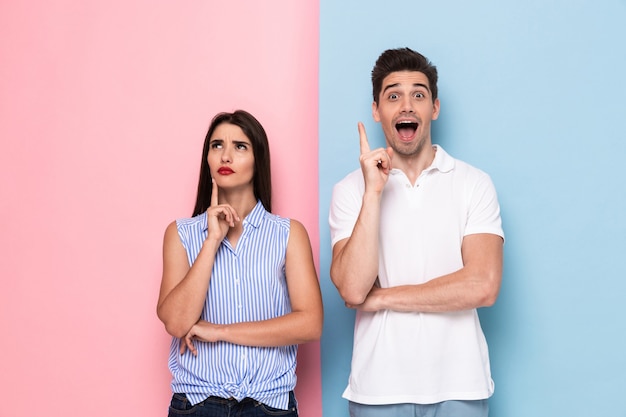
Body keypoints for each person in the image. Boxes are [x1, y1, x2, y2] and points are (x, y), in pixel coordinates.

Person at [328, 48, 504, 417]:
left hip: (461, 386)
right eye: (393, 95)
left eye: (418, 95)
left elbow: (483, 286)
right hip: (378, 390)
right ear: (376, 110)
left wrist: (384, 298)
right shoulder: (350, 190)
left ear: (434, 108)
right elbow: (353, 288)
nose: (406, 106)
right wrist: (373, 192)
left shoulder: (474, 183)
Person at [157, 110, 323, 417]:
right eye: (217, 145)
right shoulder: (181, 234)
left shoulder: (288, 234)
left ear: (258, 158)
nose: (226, 156)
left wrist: (218, 331)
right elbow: (176, 323)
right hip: (197, 405)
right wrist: (211, 242)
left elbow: (310, 323)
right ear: (207, 157)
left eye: (240, 146)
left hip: (269, 405)